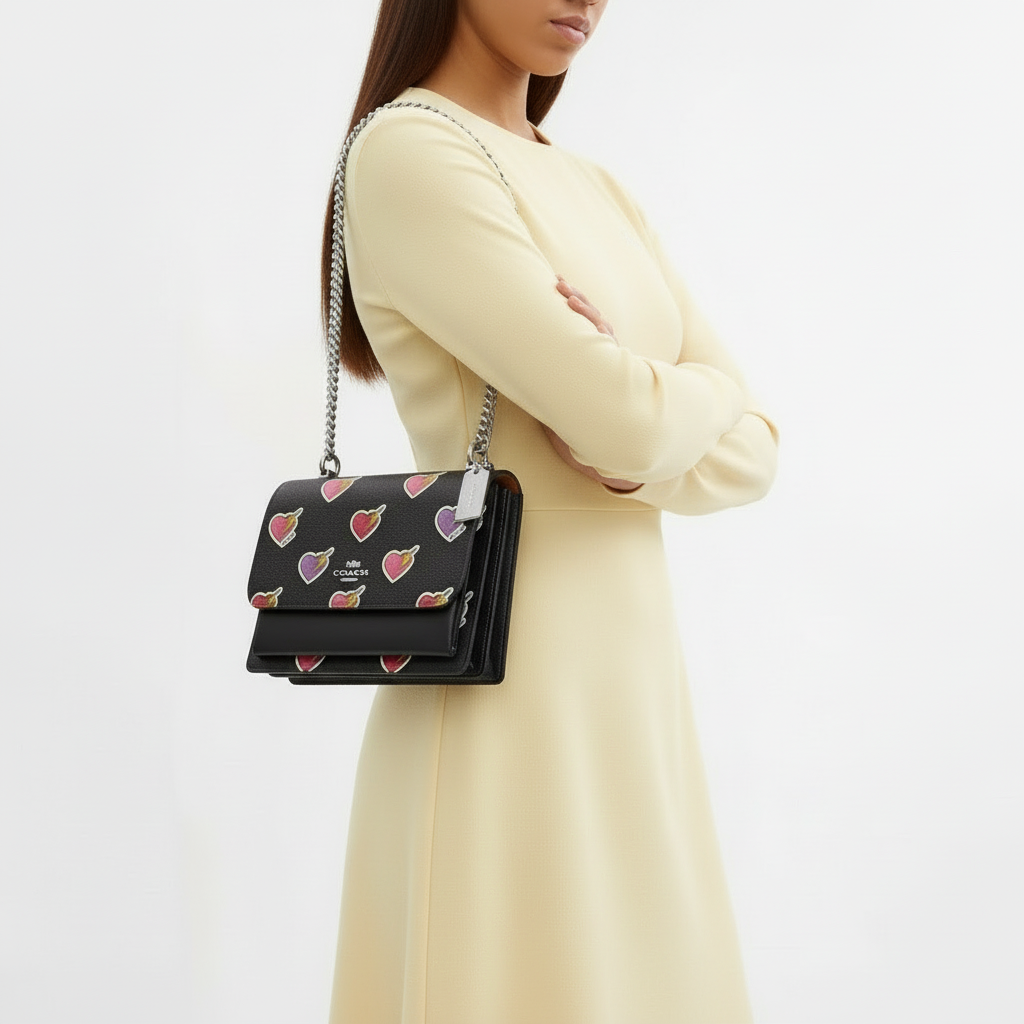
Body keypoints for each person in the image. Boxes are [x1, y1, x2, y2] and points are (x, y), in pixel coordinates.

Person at [325, 0, 779, 1020]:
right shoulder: (411, 153)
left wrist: (637, 433)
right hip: (504, 688)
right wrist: (674, 400)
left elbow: (755, 449)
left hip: (633, 693)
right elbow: (634, 419)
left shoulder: (594, 186)